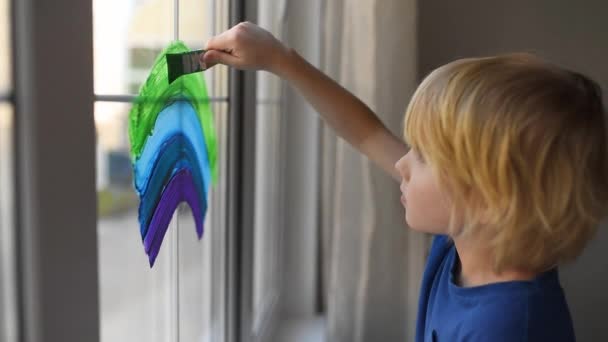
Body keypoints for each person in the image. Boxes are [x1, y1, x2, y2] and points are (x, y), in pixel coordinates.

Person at [201, 22, 608, 341]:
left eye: (425, 155)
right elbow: (367, 134)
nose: (404, 163)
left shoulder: (510, 327)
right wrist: (279, 58)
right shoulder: (466, 240)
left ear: (490, 197)